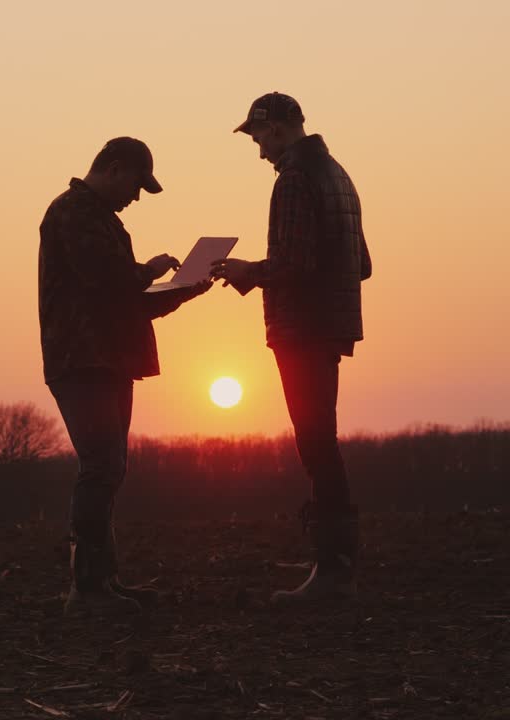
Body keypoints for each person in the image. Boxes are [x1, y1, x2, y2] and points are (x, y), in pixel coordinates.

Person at [210, 93, 372, 606]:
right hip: (330, 327)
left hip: (302, 329)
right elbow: (361, 264)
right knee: (321, 440)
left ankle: (332, 572)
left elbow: (296, 267)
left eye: (257, 137)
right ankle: (336, 568)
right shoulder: (338, 175)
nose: (258, 150)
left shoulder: (295, 179)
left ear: (277, 128)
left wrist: (245, 273)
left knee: (317, 445)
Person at [38, 137, 211, 615]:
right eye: (136, 185)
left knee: (109, 469)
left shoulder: (102, 221)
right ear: (114, 169)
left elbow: (128, 303)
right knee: (102, 467)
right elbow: (107, 279)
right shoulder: (71, 212)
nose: (136, 197)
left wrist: (185, 290)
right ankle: (87, 589)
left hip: (109, 361)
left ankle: (103, 583)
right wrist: (149, 268)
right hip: (82, 360)